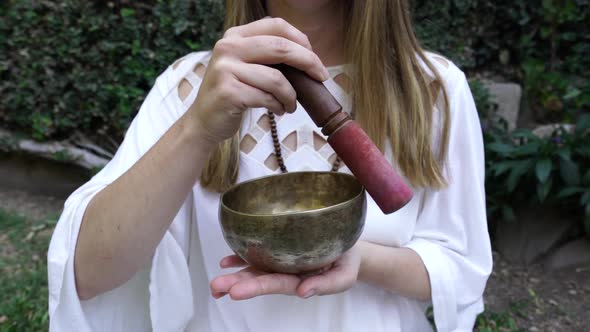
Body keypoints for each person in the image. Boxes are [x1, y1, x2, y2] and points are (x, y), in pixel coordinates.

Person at [47, 0, 492, 331]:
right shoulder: (191, 87)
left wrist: (359, 260)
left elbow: (459, 265)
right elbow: (89, 272)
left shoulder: (431, 89)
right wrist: (197, 129)